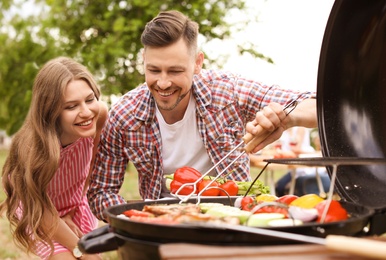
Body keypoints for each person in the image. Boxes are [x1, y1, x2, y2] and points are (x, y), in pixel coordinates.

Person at [87, 10, 317, 221]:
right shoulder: (124, 115)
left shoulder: (227, 92)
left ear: (197, 63)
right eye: (154, 70)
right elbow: (100, 192)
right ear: (144, 61)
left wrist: (290, 117)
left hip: (232, 219)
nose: (163, 83)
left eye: (176, 71)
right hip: (162, 222)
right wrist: (137, 219)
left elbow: (319, 104)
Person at [0, 57, 108, 259]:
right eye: (71, 106)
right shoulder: (34, 148)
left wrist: (72, 208)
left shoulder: (99, 115)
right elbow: (40, 208)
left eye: (89, 99)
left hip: (73, 203)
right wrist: (81, 250)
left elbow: (90, 167)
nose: (86, 112)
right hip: (38, 210)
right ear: (51, 110)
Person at [274, 127, 330, 197]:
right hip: (294, 169)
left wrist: (283, 153)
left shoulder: (299, 128)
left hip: (305, 166)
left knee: (288, 187)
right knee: (279, 187)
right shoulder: (283, 131)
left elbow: (296, 149)